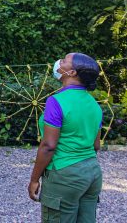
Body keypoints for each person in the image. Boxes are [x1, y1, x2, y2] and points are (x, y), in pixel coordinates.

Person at [29, 53, 103, 223]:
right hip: (92, 173)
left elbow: (48, 146)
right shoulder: (94, 104)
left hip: (65, 174)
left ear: (72, 73)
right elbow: (96, 145)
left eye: (64, 61)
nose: (59, 62)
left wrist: (34, 179)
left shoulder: (56, 101)